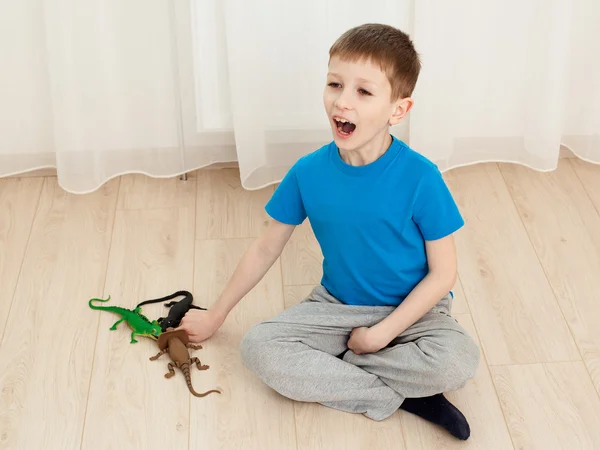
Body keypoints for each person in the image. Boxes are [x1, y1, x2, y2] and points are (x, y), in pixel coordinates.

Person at [178, 23, 480, 440]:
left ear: (398, 110)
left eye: (364, 91)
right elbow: (265, 249)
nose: (342, 102)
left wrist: (380, 336)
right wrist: (216, 315)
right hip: (336, 307)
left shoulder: (422, 178)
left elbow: (442, 275)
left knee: (458, 361)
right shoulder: (308, 173)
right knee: (259, 348)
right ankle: (404, 396)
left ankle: (349, 366)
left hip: (417, 312)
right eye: (335, 84)